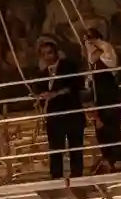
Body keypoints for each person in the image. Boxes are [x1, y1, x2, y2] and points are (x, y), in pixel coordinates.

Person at [36, 36, 85, 180]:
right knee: (55, 148)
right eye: (44, 54)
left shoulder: (67, 66)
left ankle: (77, 174)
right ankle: (55, 175)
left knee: (75, 145)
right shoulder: (42, 74)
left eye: (49, 53)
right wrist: (40, 98)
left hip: (71, 112)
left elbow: (74, 85)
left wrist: (54, 94)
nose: (47, 57)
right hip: (54, 116)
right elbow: (40, 91)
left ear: (56, 53)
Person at [83, 27, 121, 172]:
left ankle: (119, 159)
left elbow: (105, 52)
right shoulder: (91, 61)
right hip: (99, 99)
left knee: (112, 128)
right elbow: (89, 80)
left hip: (110, 97)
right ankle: (108, 159)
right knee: (101, 131)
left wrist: (94, 41)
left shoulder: (106, 53)